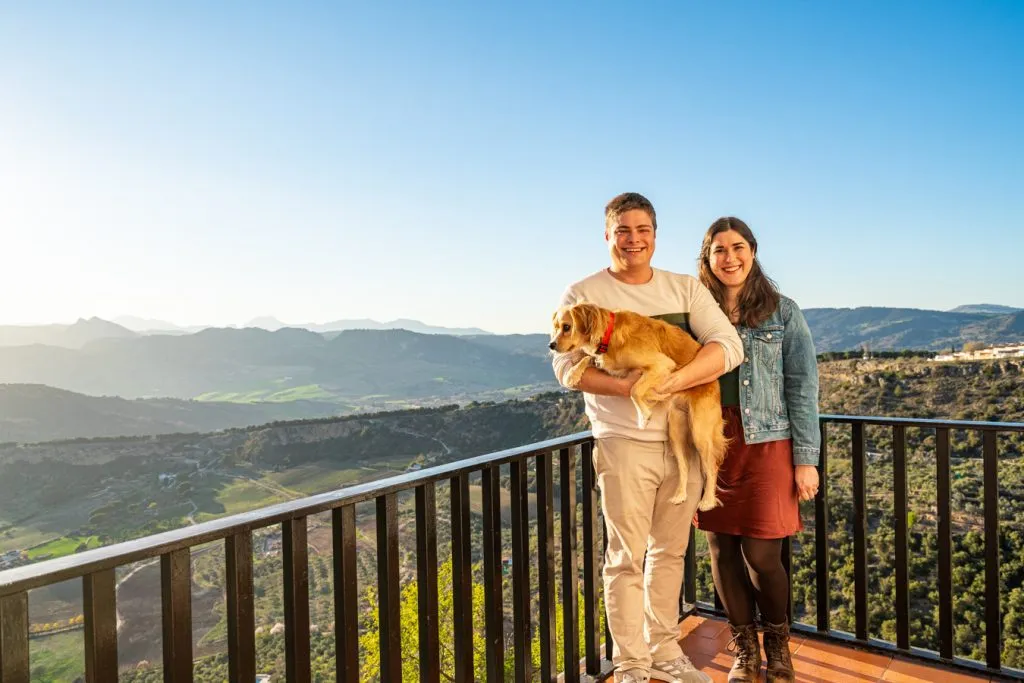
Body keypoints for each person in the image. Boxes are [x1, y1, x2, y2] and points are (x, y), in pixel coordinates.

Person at [552, 193, 743, 683]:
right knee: (625, 559)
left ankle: (665, 652)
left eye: (642, 230)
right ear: (608, 236)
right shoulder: (583, 293)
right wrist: (627, 388)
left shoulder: (683, 290)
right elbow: (564, 366)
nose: (633, 240)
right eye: (623, 231)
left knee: (669, 553)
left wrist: (671, 384)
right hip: (623, 443)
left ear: (655, 236)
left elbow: (728, 346)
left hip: (682, 443)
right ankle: (631, 663)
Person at [693, 217, 820, 683]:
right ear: (707, 257)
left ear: (753, 250)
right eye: (719, 249)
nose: (730, 257)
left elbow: (803, 387)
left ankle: (778, 647)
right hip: (710, 442)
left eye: (738, 247)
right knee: (722, 550)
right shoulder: (695, 311)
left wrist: (806, 458)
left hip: (767, 443)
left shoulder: (782, 312)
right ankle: (745, 651)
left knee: (764, 556)